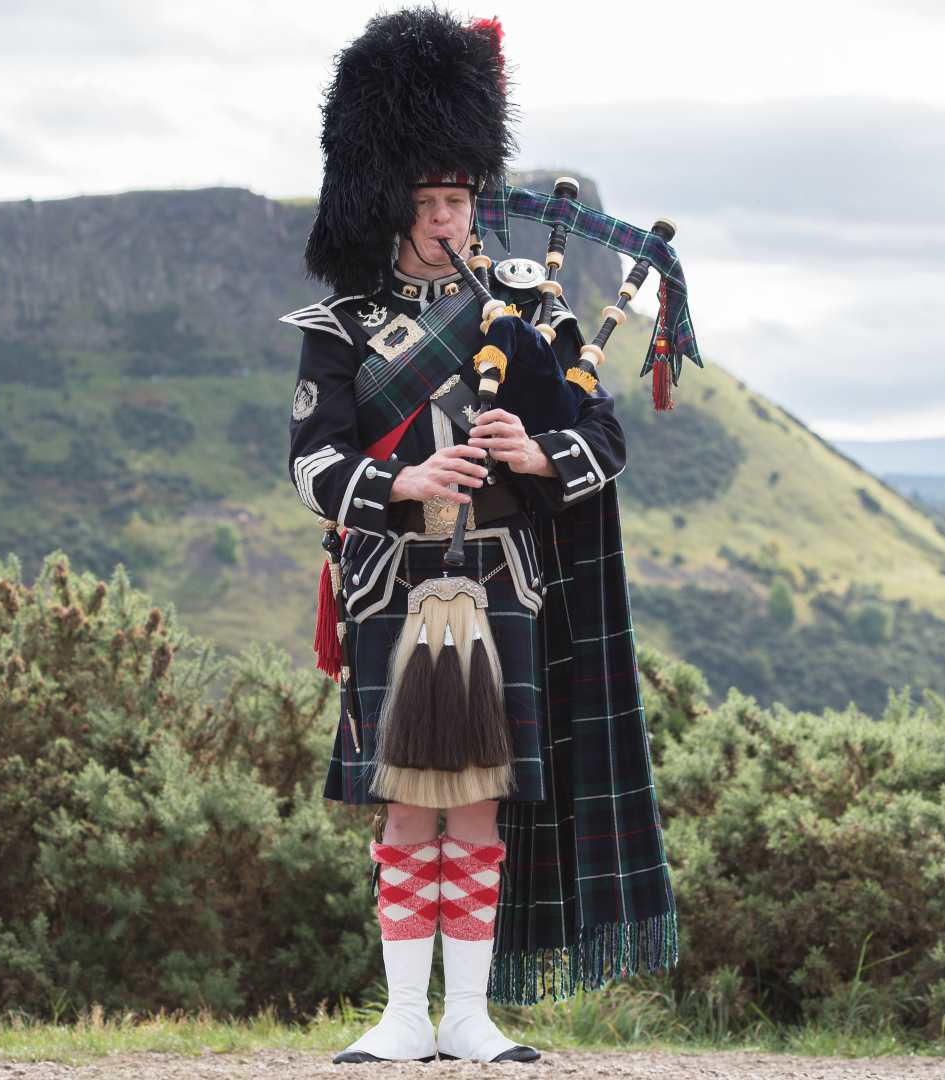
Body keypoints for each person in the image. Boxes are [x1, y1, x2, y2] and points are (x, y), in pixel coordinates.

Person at [282, 7, 679, 1066]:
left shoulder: (526, 319)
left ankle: (470, 1018)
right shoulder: (342, 332)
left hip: (502, 580)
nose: (453, 221)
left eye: (462, 201)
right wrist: (401, 476)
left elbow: (602, 441)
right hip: (388, 586)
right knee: (406, 807)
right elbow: (310, 467)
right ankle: (403, 1018)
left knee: (485, 811)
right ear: (389, 211)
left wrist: (539, 454)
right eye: (432, 205)